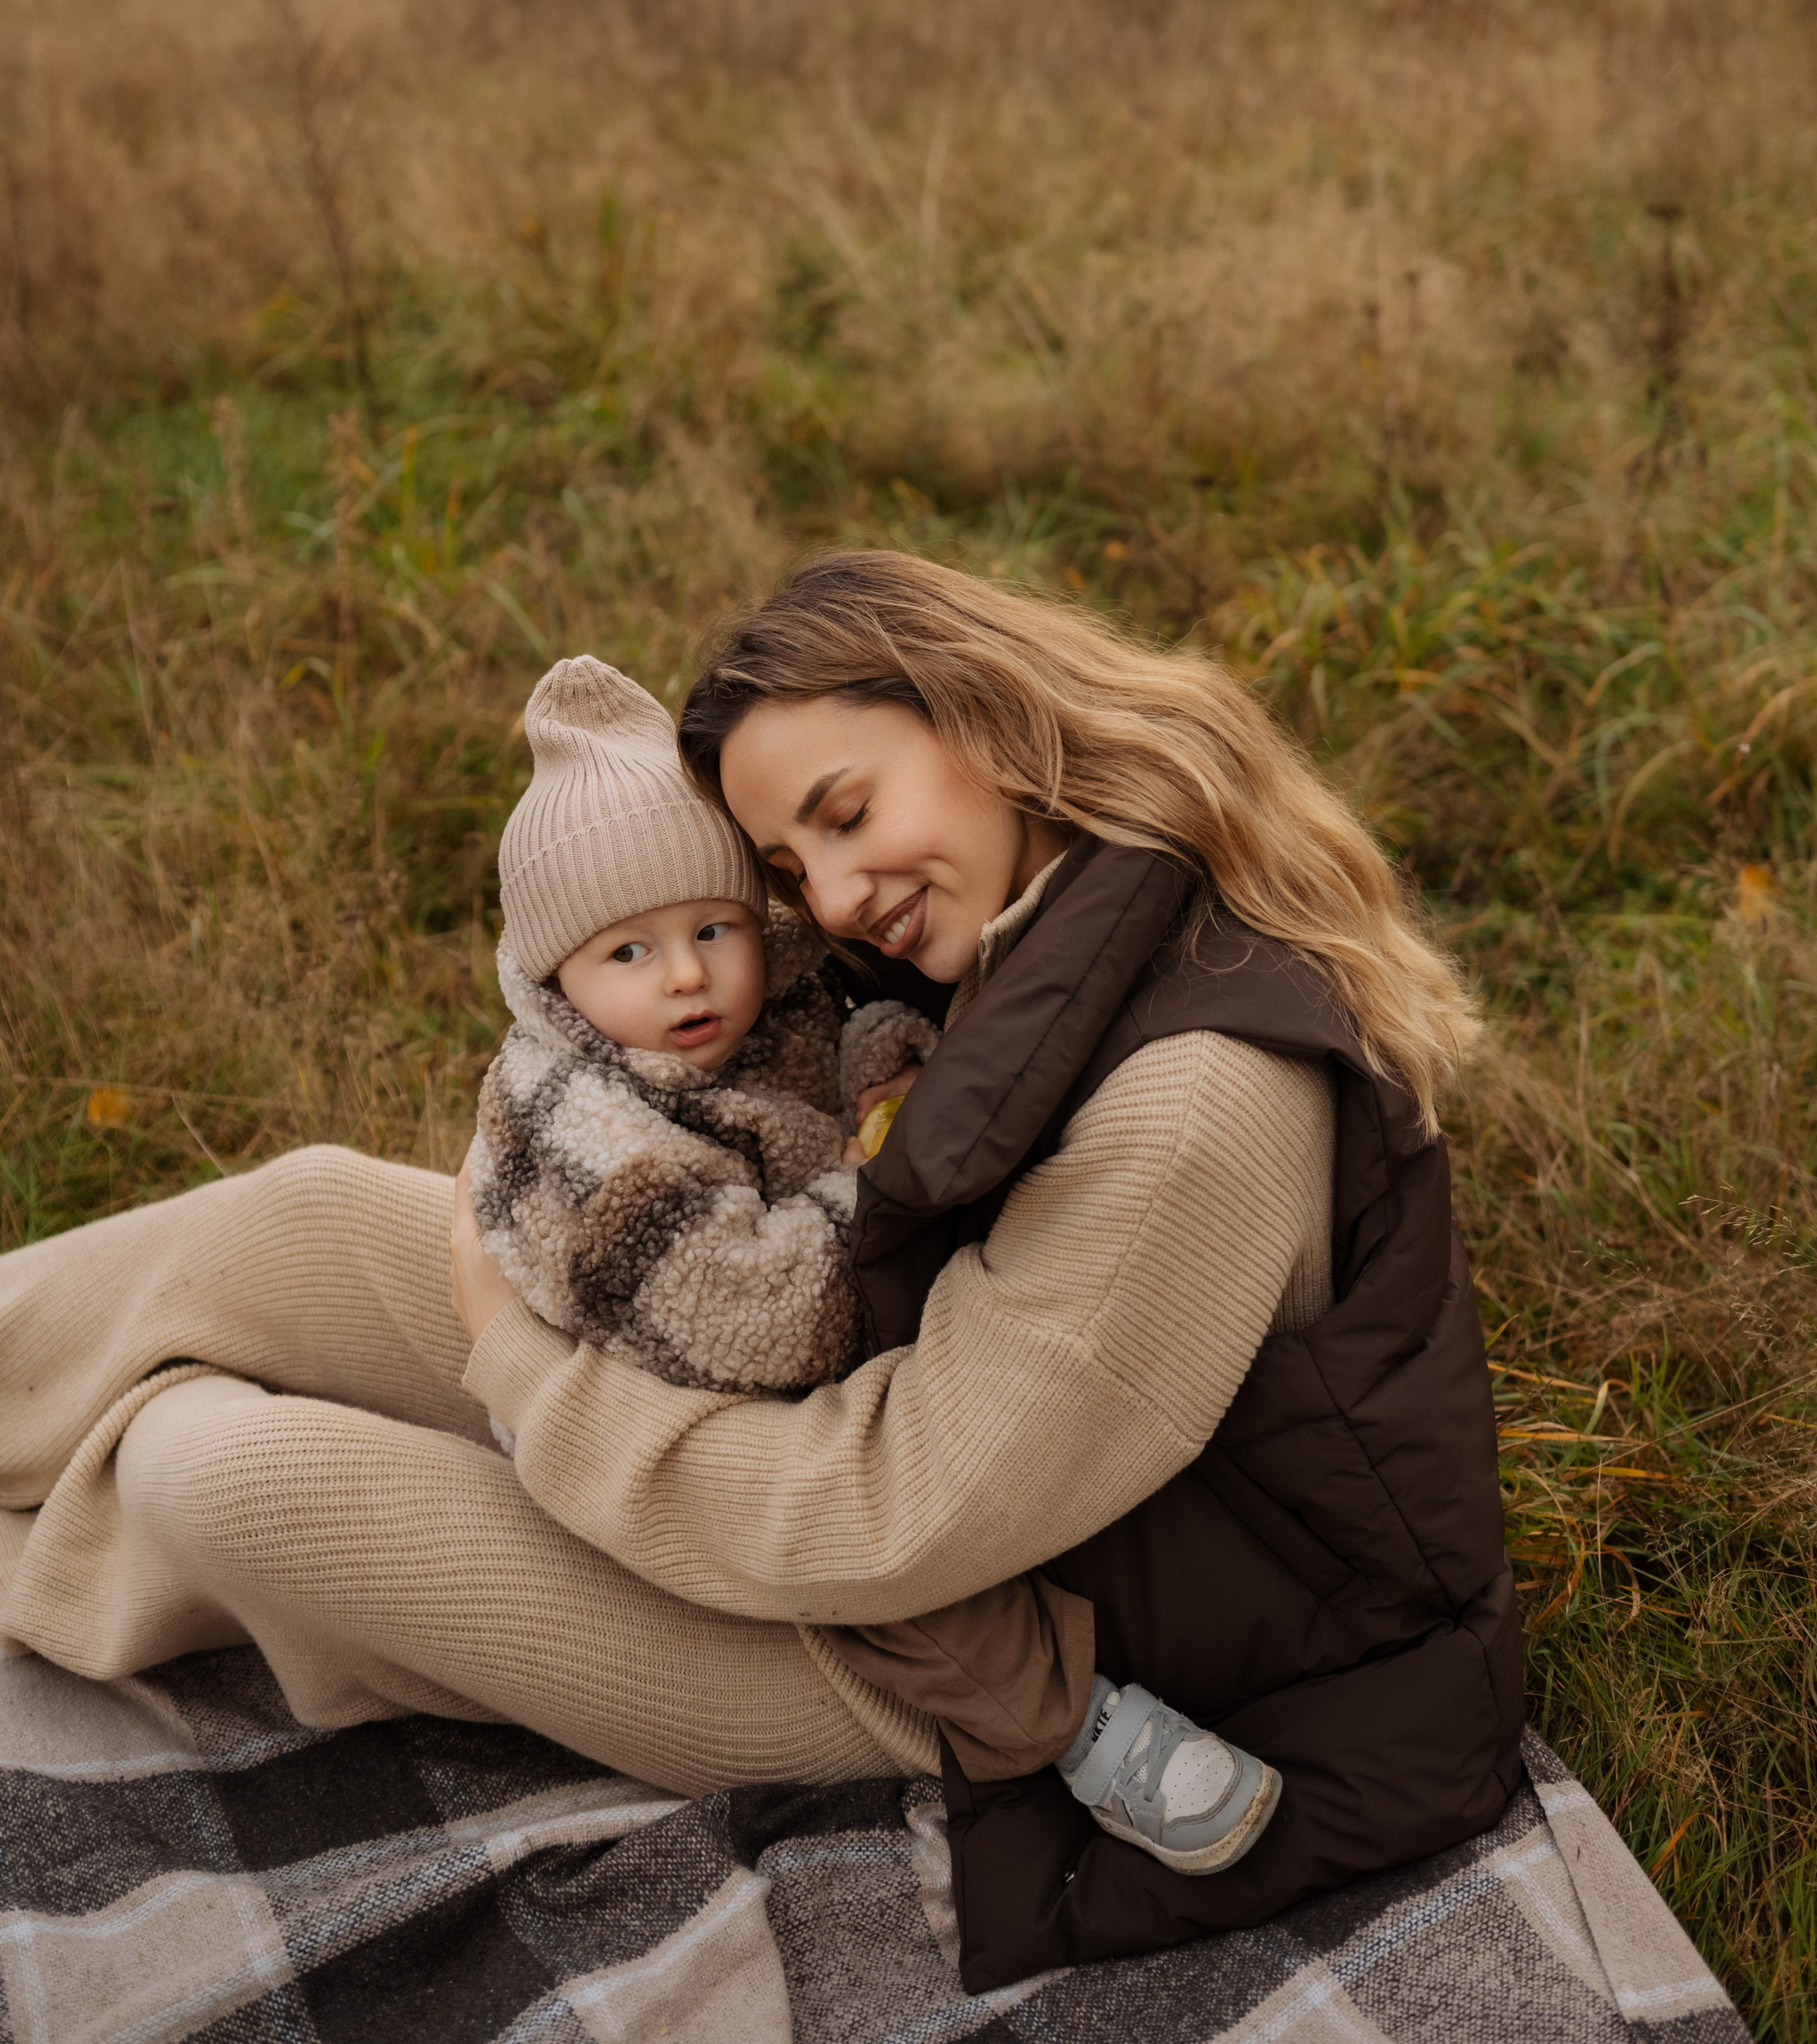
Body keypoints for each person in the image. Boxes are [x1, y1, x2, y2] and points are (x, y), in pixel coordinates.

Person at [0, 549, 1520, 1994]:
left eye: (847, 812)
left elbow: (886, 1520)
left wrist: (520, 1369)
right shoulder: (1055, 922)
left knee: (226, 1477)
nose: (841, 894)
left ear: (989, 720)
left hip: (983, 1654)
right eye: (795, 865)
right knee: (312, 1215)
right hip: (907, 1425)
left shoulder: (1191, 1110)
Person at [471, 652, 1283, 1874]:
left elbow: (841, 1047)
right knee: (924, 1609)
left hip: (780, 1323)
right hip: (692, 1365)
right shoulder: (573, 1121)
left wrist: (891, 1069)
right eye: (629, 954)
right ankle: (1073, 1729)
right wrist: (881, 1187)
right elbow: (759, 1324)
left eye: (714, 927)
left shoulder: (769, 999)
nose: (687, 974)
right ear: (557, 982)